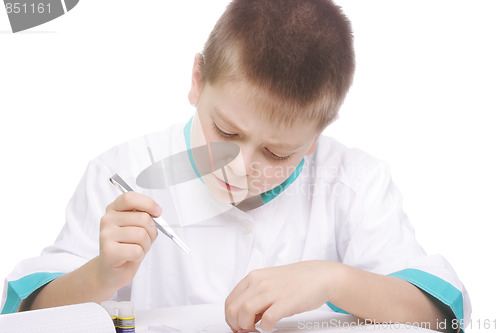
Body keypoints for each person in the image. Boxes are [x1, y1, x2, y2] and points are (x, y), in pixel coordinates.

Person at [1, 1, 471, 332]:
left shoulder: (355, 183)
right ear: (197, 80)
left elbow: (443, 315)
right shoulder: (122, 168)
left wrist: (334, 279)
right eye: (225, 133)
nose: (242, 169)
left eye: (278, 153)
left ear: (316, 137)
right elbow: (23, 318)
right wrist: (101, 275)